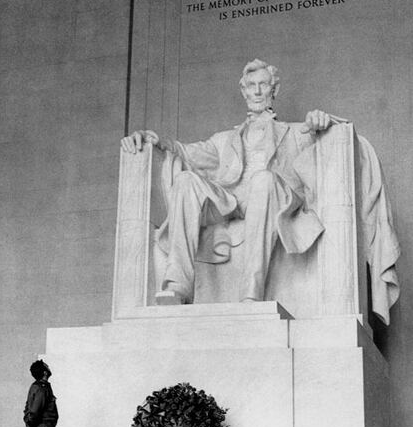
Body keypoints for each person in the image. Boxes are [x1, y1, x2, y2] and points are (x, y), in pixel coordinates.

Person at [122, 59, 335, 305]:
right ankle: (178, 286)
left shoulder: (298, 132)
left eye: (263, 85)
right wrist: (154, 141)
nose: (256, 91)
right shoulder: (224, 140)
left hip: (272, 197)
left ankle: (251, 294)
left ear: (273, 90)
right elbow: (185, 151)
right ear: (243, 92)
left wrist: (321, 122)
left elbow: (327, 141)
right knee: (185, 181)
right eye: (251, 86)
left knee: (263, 180)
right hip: (231, 201)